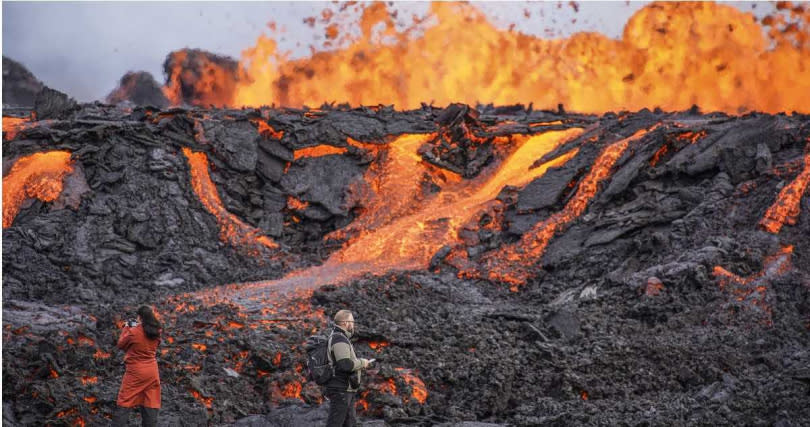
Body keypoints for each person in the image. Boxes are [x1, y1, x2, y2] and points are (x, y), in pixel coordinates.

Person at [111, 306, 162, 427]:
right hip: (152, 372)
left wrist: (127, 328)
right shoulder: (157, 331)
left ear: (140, 317)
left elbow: (121, 345)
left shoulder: (134, 332)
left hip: (135, 372)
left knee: (125, 400)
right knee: (151, 401)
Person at [325, 309, 373, 427]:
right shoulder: (339, 339)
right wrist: (363, 362)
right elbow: (345, 364)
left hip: (347, 389)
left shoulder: (341, 337)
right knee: (335, 423)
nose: (353, 324)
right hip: (341, 389)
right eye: (352, 321)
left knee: (350, 423)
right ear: (345, 323)